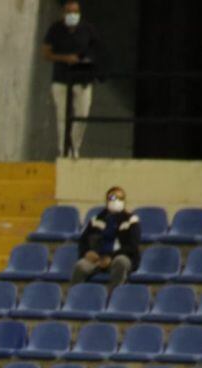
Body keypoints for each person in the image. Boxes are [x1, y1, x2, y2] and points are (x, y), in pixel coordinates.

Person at [43, 1, 101, 158]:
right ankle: (63, 149)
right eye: (69, 12)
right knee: (62, 116)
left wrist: (86, 61)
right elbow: (46, 53)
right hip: (61, 78)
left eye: (75, 12)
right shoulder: (55, 29)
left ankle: (74, 147)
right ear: (64, 13)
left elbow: (96, 50)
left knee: (82, 114)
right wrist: (64, 57)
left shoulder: (88, 30)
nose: (72, 15)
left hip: (82, 78)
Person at [72, 186, 140, 290]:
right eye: (113, 198)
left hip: (119, 257)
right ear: (107, 200)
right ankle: (74, 298)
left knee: (121, 262)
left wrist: (110, 257)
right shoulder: (96, 219)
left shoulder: (131, 220)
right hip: (97, 259)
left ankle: (113, 299)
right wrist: (86, 252)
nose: (116, 201)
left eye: (120, 198)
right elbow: (83, 240)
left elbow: (132, 246)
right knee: (80, 266)